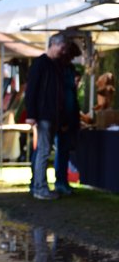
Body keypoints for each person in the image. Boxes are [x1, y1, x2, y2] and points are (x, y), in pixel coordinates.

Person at [25, 33, 67, 200]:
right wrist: (31, 114)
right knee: (43, 152)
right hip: (43, 116)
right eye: (62, 48)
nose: (63, 51)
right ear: (54, 44)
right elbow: (31, 90)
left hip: (50, 115)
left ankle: (39, 186)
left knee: (44, 151)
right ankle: (39, 187)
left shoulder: (54, 65)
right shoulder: (41, 64)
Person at [54, 41, 82, 196]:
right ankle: (60, 181)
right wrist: (64, 119)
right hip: (65, 117)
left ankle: (62, 181)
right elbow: (63, 97)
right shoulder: (63, 71)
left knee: (64, 150)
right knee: (62, 150)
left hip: (69, 116)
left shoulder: (66, 70)